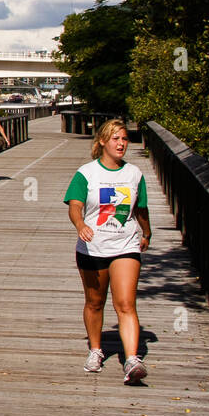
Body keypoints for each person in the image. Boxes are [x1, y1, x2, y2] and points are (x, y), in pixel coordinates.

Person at [63, 119, 152, 384]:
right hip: (93, 247)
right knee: (94, 302)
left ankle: (132, 359)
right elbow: (75, 206)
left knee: (125, 304)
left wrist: (146, 234)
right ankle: (95, 350)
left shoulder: (134, 174)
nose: (121, 144)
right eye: (115, 139)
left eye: (124, 139)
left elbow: (141, 210)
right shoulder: (86, 173)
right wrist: (80, 225)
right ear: (102, 141)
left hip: (125, 246)